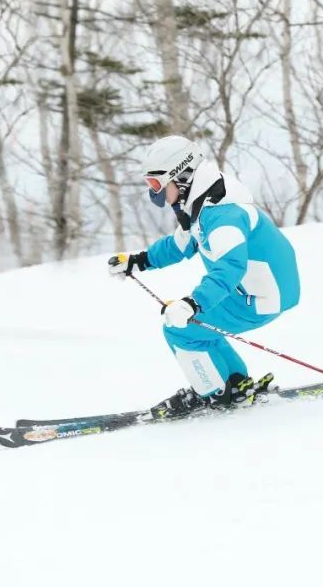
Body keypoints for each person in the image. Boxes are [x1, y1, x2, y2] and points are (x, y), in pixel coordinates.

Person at [108, 135, 301, 419]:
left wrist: (192, 304)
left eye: (156, 183)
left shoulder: (222, 215)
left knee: (180, 329)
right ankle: (235, 384)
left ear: (181, 176)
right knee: (198, 326)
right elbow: (180, 244)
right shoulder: (201, 204)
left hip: (262, 296)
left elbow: (230, 268)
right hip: (255, 290)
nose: (155, 192)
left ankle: (212, 392)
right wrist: (139, 261)